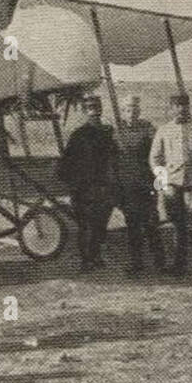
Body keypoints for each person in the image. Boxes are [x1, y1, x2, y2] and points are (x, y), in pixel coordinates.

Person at [150, 93, 192, 275]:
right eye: (176, 106)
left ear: (188, 107)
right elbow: (155, 159)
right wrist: (163, 184)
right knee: (178, 225)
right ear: (171, 109)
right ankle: (179, 265)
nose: (180, 110)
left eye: (184, 106)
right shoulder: (164, 131)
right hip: (173, 186)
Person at [57, 95, 116, 271]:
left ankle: (96, 257)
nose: (94, 111)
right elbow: (65, 164)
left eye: (97, 107)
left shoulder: (109, 133)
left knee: (100, 225)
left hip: (104, 188)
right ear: (84, 111)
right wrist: (74, 186)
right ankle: (85, 260)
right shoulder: (78, 135)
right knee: (85, 226)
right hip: (84, 190)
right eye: (90, 108)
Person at [113, 95, 165, 275]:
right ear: (122, 112)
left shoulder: (148, 129)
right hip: (127, 187)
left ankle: (160, 263)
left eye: (134, 109)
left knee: (151, 224)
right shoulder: (116, 131)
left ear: (139, 111)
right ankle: (137, 265)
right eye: (127, 109)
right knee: (133, 226)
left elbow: (160, 156)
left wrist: (160, 186)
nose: (131, 113)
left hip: (147, 186)